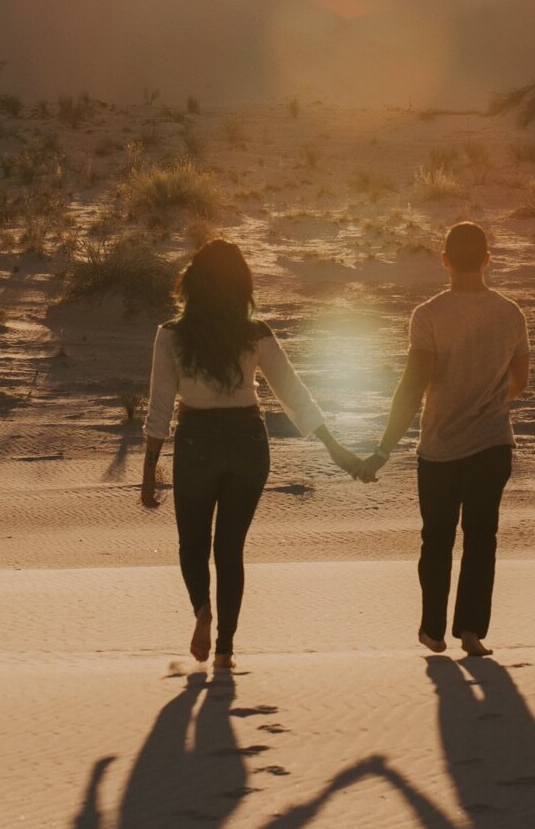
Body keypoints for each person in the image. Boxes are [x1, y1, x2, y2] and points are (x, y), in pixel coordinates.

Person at [141, 237, 367, 669]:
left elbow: (159, 408)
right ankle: (225, 650)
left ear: (193, 284)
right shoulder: (256, 333)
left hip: (197, 442)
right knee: (230, 549)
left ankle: (202, 612)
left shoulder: (170, 337)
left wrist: (149, 471)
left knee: (193, 543)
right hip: (248, 441)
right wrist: (334, 447)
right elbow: (293, 394)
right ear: (242, 284)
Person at [359, 220, 530, 656]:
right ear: (488, 260)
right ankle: (471, 632)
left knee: (436, 538)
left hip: (439, 448)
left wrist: (383, 448)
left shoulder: (429, 314)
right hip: (492, 444)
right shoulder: (511, 313)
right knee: (481, 538)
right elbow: (520, 382)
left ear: (445, 261)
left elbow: (413, 385)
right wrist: (486, 395)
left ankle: (433, 630)